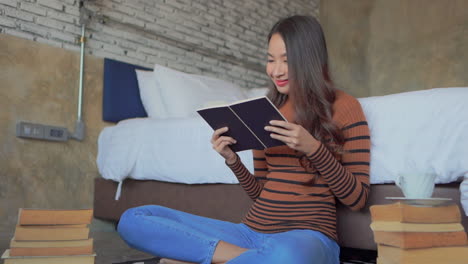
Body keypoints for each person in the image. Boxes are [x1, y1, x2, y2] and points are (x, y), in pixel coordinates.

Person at [117, 15, 371, 264]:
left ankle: (208, 258)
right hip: (248, 234)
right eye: (271, 60)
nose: (276, 70)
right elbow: (260, 192)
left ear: (309, 60)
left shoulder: (345, 107)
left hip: (306, 239)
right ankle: (245, 259)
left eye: (287, 60)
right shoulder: (265, 110)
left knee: (288, 256)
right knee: (133, 219)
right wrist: (233, 161)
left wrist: (313, 149)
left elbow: (357, 198)